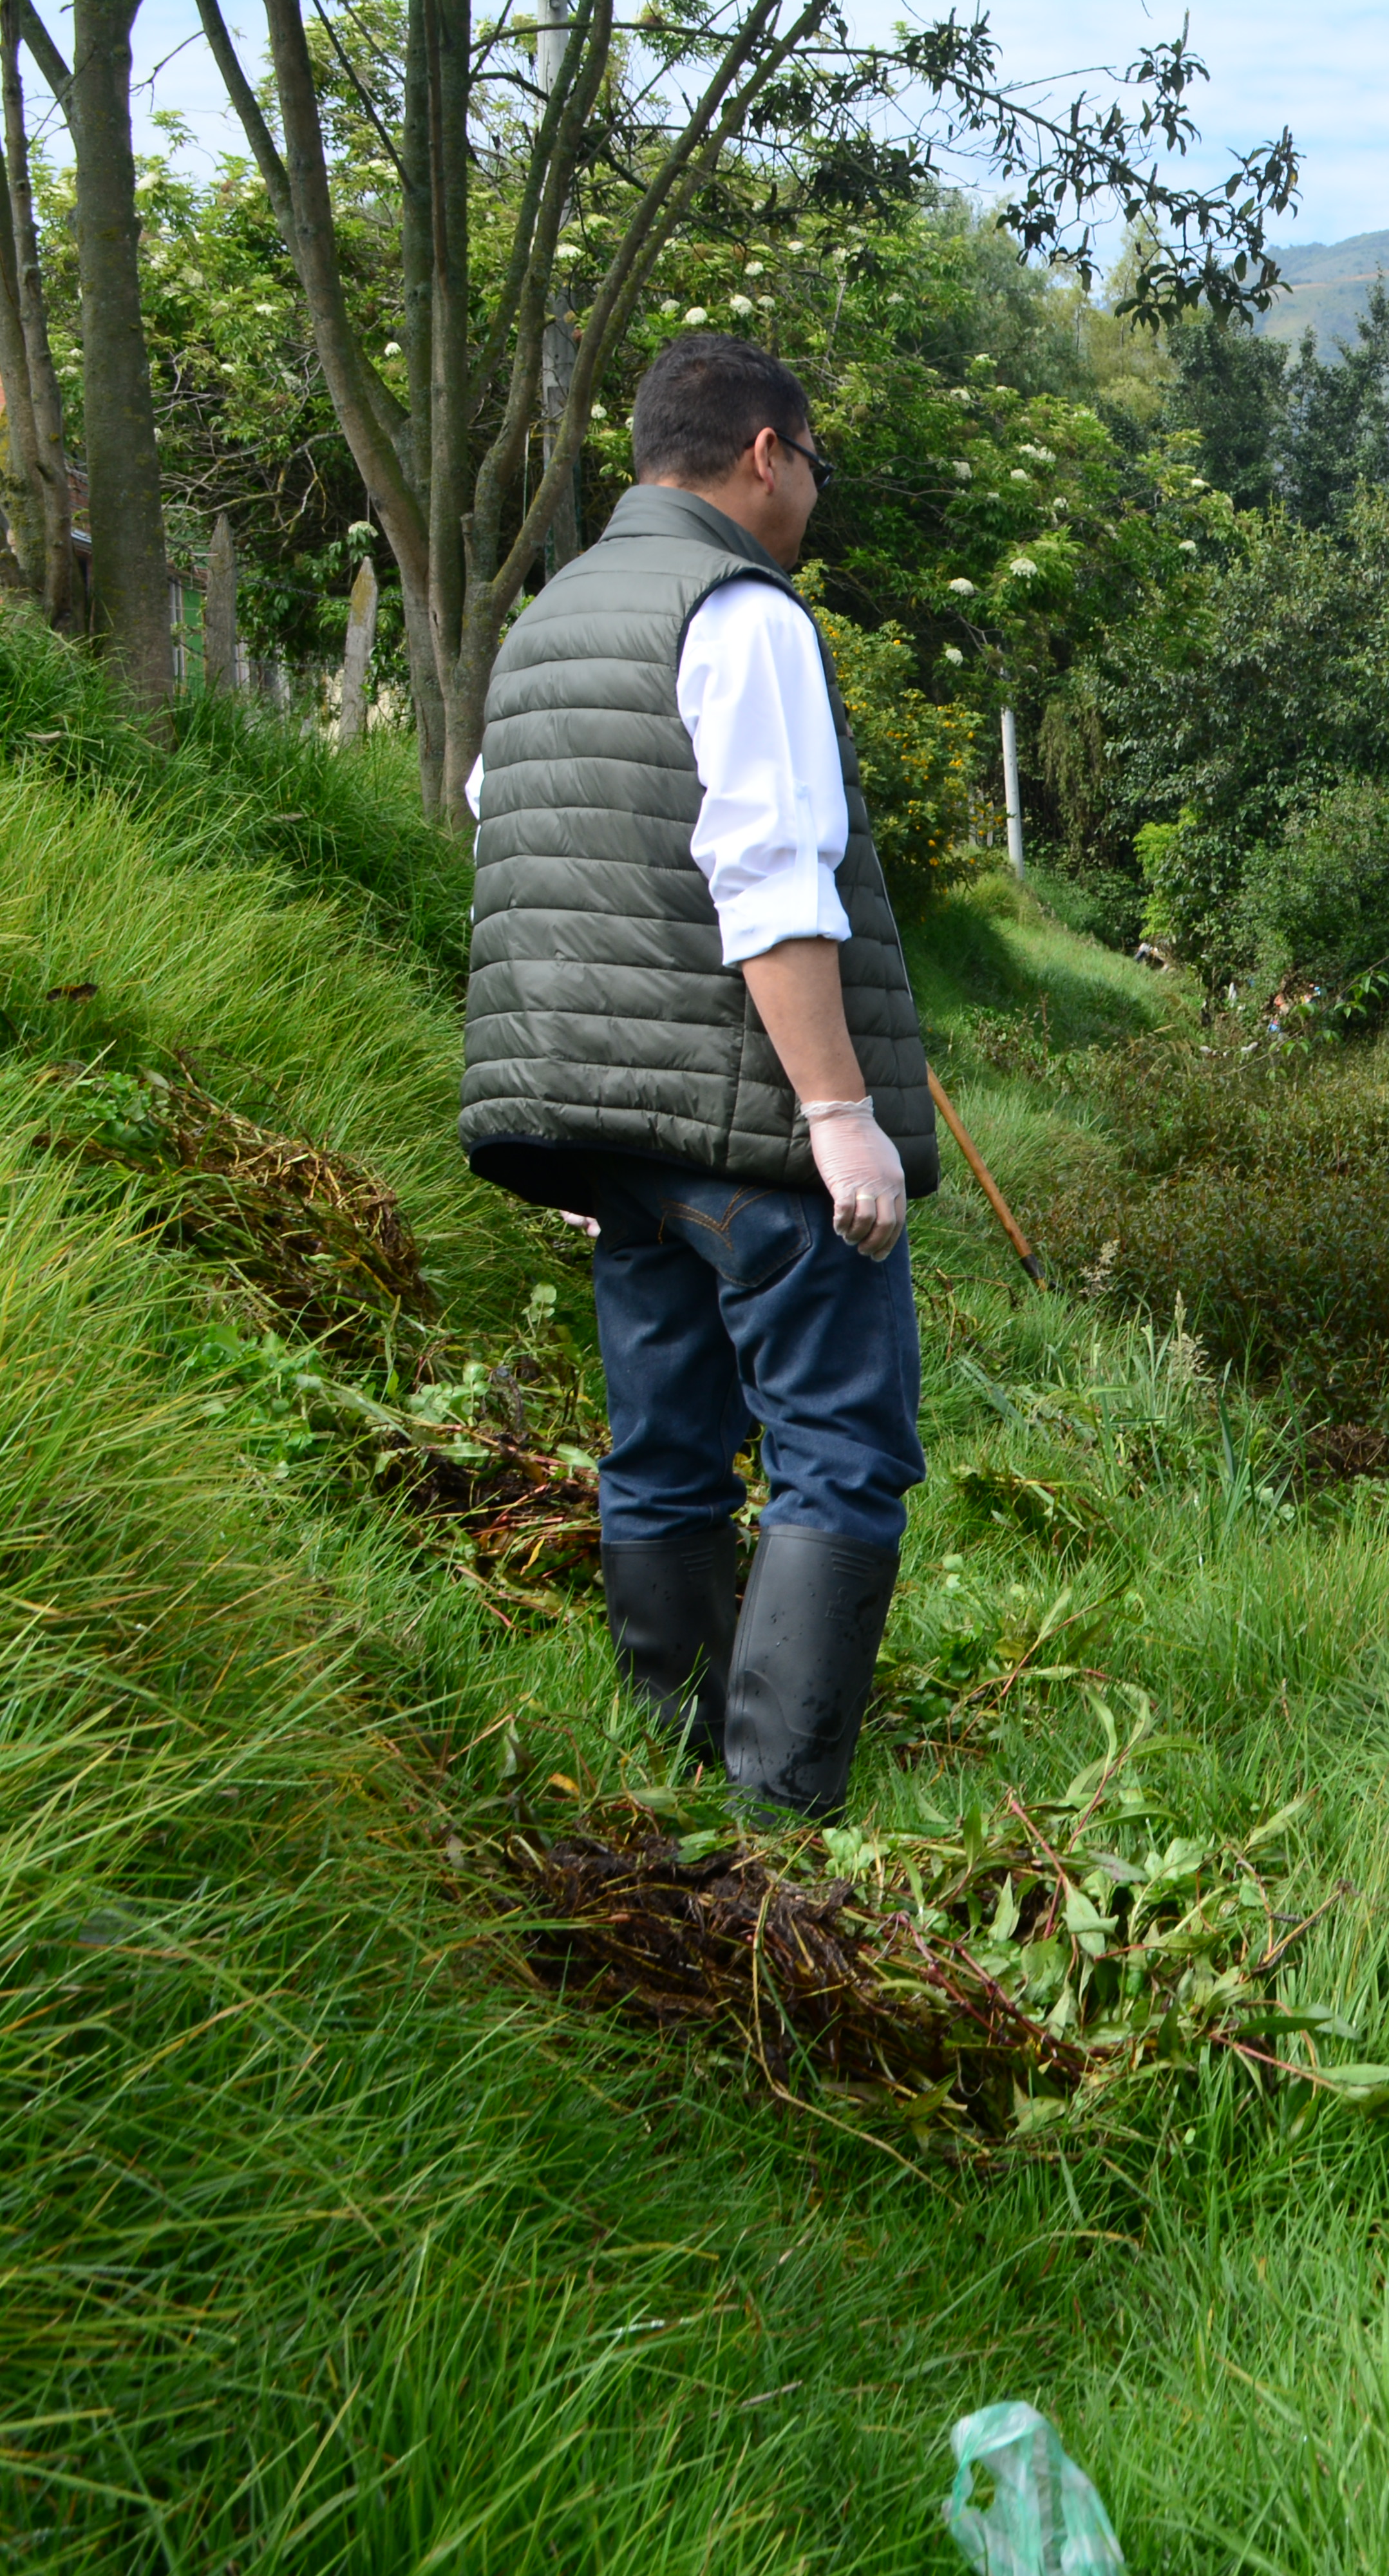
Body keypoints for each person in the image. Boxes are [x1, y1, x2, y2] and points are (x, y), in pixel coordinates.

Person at [460, 332, 938, 1821]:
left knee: (664, 1445)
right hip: (743, 1126)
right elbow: (771, 880)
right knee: (839, 1447)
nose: (814, 495)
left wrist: (584, 1120)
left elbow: (519, 842)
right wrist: (841, 1118)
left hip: (608, 1128)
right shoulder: (740, 610)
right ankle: (779, 1813)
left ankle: (670, 1775)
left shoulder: (548, 621)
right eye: (815, 464)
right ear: (763, 453)